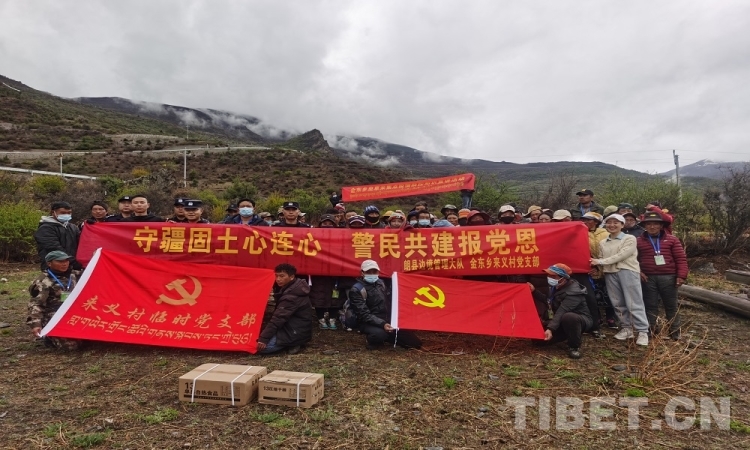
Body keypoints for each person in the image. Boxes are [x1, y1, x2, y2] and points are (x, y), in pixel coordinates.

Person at [591, 214, 650, 346]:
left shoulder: (629, 238)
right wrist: (597, 266)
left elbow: (622, 255)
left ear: (622, 225)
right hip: (610, 273)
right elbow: (601, 257)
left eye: (615, 222)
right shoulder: (603, 242)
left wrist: (600, 262)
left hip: (627, 271)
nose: (612, 225)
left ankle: (642, 331)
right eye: (609, 222)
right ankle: (626, 328)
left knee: (634, 301)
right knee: (617, 302)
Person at [636, 212, 688, 340]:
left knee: (671, 306)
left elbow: (681, 259)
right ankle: (651, 331)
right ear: (645, 226)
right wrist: (639, 272)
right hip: (647, 278)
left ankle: (675, 333)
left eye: (655, 224)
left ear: (661, 225)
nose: (652, 227)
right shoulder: (638, 241)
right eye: (649, 224)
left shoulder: (672, 239)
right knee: (650, 305)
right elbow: (633, 260)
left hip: (669, 277)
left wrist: (681, 276)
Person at [348, 260, 421, 350]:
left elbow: (391, 301)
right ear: (362, 273)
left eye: (374, 271)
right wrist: (382, 324)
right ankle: (372, 339)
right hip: (368, 322)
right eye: (368, 272)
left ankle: (388, 336)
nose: (372, 274)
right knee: (379, 335)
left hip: (387, 320)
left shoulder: (381, 283)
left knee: (414, 343)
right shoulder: (356, 289)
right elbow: (363, 314)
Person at [530, 263, 593, 359]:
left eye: (553, 276)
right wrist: (534, 291)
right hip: (560, 320)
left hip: (578, 319)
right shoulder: (556, 287)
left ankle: (574, 346)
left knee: (569, 317)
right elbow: (548, 301)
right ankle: (567, 334)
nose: (549, 278)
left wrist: (550, 329)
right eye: (548, 275)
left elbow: (562, 311)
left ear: (563, 278)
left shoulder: (574, 292)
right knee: (537, 341)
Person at [27, 251, 82, 350]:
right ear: (49, 263)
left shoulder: (73, 274)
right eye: (60, 261)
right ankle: (49, 337)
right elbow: (36, 304)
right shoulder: (43, 281)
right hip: (54, 314)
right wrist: (36, 324)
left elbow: (95, 273)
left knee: (92, 338)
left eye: (66, 261)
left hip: (73, 312)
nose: (64, 264)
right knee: (71, 346)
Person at [256, 263, 313, 354]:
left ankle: (294, 342)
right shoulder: (293, 287)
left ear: (291, 277)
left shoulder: (292, 296)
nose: (278, 279)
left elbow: (278, 319)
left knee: (260, 348)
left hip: (294, 331)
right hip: (292, 327)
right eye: (276, 276)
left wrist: (263, 339)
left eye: (282, 276)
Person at [34, 201, 82, 271]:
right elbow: (53, 248)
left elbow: (81, 243)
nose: (66, 215)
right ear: (53, 212)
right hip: (54, 267)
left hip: (71, 266)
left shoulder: (73, 227)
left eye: (69, 213)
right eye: (63, 213)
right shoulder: (45, 228)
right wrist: (73, 261)